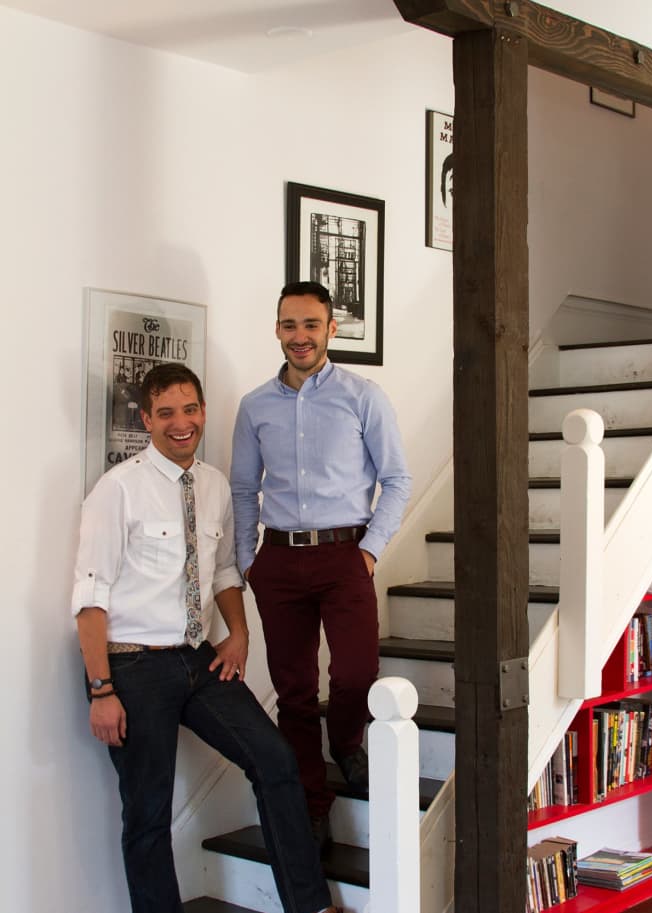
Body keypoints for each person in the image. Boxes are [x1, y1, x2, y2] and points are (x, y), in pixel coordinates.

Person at [72, 362, 341, 913]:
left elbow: (221, 571)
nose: (181, 423)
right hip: (132, 667)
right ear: (146, 419)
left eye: (190, 409)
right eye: (165, 412)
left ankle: (309, 905)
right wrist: (101, 689)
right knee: (147, 813)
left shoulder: (215, 483)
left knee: (275, 761)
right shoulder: (117, 489)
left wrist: (238, 633)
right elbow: (89, 598)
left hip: (198, 661)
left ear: (203, 412)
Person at [231, 281, 411, 849]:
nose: (299, 336)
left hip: (345, 555)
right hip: (279, 561)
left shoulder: (363, 396)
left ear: (332, 329)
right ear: (277, 329)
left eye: (311, 324)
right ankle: (313, 802)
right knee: (294, 692)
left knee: (356, 672)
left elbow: (397, 478)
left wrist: (369, 549)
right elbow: (242, 488)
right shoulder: (255, 405)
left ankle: (348, 743)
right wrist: (247, 561)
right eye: (289, 325)